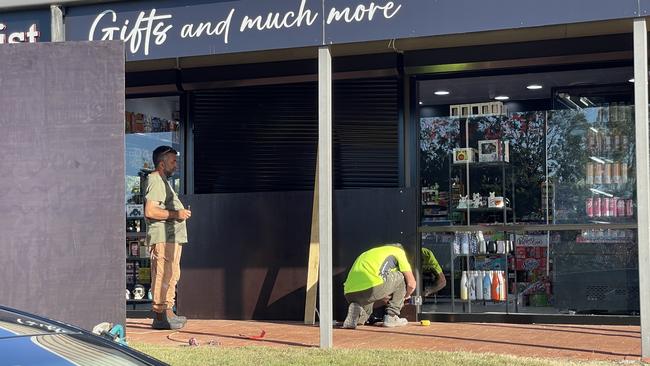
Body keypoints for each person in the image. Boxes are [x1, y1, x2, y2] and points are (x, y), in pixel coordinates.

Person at [144, 146, 192, 330]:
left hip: (171, 237)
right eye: (173, 161)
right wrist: (176, 213)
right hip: (163, 237)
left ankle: (168, 312)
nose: (176, 165)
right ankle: (160, 314)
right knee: (163, 273)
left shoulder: (163, 181)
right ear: (162, 164)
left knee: (172, 273)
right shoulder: (155, 180)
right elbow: (150, 210)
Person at [342, 243, 416, 329]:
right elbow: (411, 284)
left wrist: (390, 296)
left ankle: (358, 317)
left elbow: (379, 288)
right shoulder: (398, 251)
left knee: (367, 304)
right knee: (401, 277)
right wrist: (405, 296)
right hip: (372, 286)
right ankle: (392, 317)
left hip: (349, 293)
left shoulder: (369, 253)